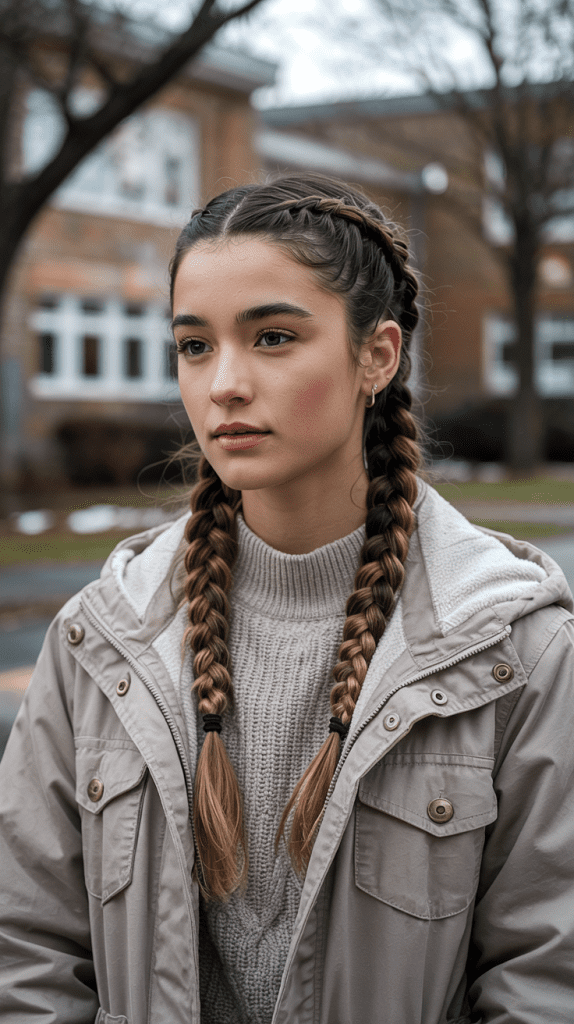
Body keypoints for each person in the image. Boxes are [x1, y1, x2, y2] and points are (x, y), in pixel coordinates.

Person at [0, 172, 573, 1024]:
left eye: (272, 337)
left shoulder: (514, 650)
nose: (224, 383)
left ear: (377, 356)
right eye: (195, 346)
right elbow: (26, 955)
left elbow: (545, 978)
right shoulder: (101, 639)